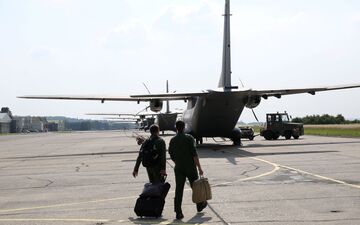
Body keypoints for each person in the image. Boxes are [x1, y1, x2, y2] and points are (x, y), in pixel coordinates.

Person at [168, 120, 207, 220]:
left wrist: (177, 163)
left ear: (176, 128)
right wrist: (200, 168)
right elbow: (194, 155)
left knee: (179, 190)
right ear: (184, 127)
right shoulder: (189, 138)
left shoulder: (172, 140)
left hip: (179, 168)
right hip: (190, 167)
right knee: (196, 187)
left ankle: (178, 212)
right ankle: (199, 205)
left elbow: (171, 154)